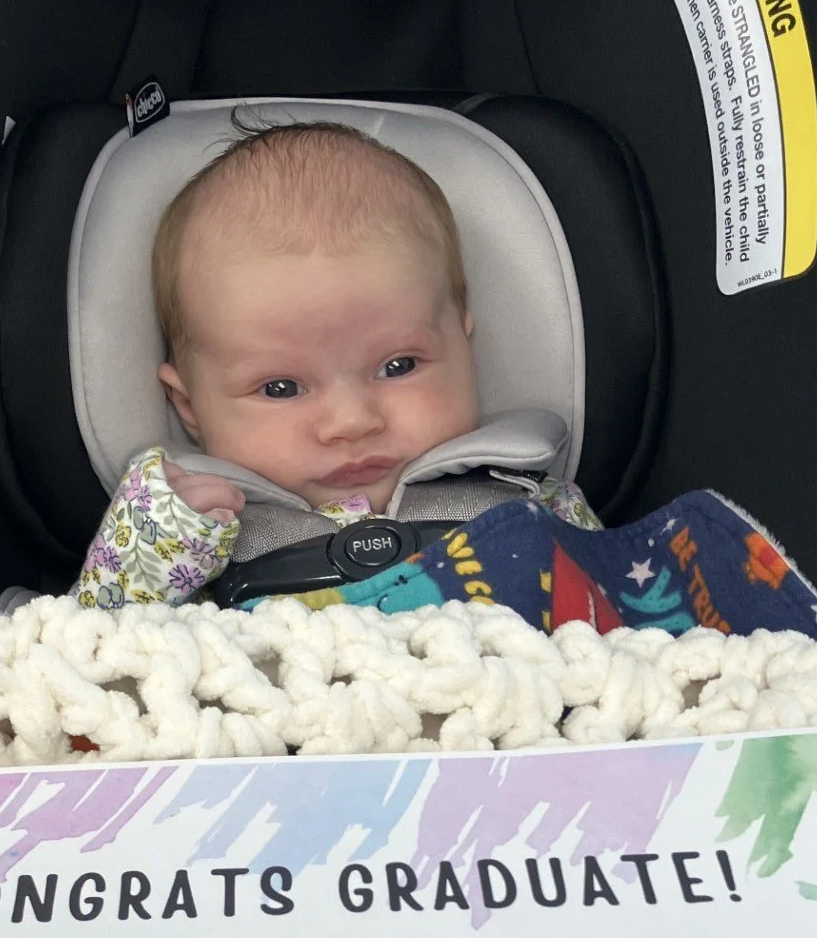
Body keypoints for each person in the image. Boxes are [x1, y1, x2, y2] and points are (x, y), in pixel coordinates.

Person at [69, 119, 584, 609]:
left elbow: (629, 631)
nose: (352, 423)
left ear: (463, 349)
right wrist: (145, 556)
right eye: (280, 388)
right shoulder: (192, 536)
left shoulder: (533, 504)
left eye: (400, 365)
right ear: (190, 408)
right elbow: (88, 657)